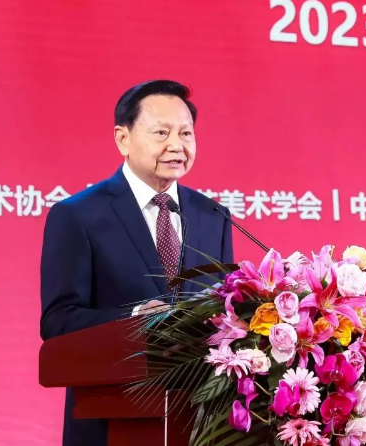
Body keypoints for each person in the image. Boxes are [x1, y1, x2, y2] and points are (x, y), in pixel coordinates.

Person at [39, 79, 234, 446]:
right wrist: (134, 317)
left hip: (201, 422)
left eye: (186, 134)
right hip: (110, 421)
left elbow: (223, 310)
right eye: (161, 133)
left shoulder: (213, 215)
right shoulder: (78, 215)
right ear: (123, 139)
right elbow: (58, 320)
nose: (176, 145)